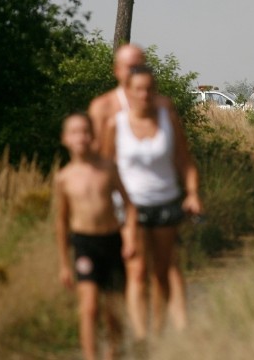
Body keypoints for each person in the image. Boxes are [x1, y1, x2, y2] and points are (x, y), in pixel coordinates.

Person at [87, 44, 190, 335]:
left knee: (168, 265)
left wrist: (189, 191)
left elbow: (181, 154)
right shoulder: (103, 107)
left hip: (163, 199)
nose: (134, 72)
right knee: (134, 270)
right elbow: (97, 158)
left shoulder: (162, 106)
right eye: (128, 66)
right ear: (116, 70)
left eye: (139, 65)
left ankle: (176, 331)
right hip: (124, 202)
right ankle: (136, 336)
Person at [54, 113, 138, 360]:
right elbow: (60, 221)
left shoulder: (108, 169)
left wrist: (130, 238)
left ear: (92, 136)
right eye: (74, 132)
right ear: (65, 139)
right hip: (84, 244)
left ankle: (115, 352)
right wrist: (63, 264)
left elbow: (130, 205)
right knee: (89, 308)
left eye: (84, 131)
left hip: (111, 242)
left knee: (113, 311)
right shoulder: (64, 178)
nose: (80, 136)